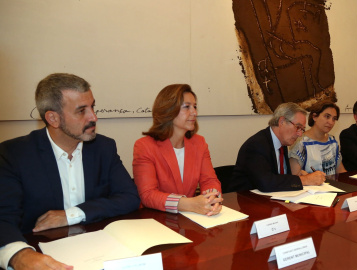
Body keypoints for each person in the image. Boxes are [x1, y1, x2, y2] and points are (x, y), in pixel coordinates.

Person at [0, 73, 140, 270]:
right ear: (53, 118)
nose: (94, 117)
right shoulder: (14, 154)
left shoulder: (104, 147)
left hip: (100, 252)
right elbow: (3, 217)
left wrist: (73, 214)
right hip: (44, 257)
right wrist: (19, 255)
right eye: (82, 111)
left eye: (93, 106)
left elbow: (129, 196)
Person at [132, 84, 222, 216]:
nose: (194, 112)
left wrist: (211, 199)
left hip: (191, 218)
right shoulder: (145, 146)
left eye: (195, 107)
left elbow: (209, 180)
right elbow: (148, 195)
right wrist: (189, 204)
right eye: (187, 107)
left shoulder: (199, 143)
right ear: (168, 110)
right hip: (156, 219)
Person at [231, 102, 326, 192]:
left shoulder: (282, 143)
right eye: (298, 127)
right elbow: (265, 183)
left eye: (302, 129)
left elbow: (278, 177)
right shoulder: (256, 145)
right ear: (282, 122)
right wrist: (304, 180)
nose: (300, 134)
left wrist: (299, 175)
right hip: (245, 202)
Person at [289, 100, 346, 176]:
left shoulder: (332, 141)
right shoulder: (300, 142)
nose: (331, 122)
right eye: (327, 116)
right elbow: (294, 176)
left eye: (334, 119)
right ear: (314, 116)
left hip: (332, 187)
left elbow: (341, 171)